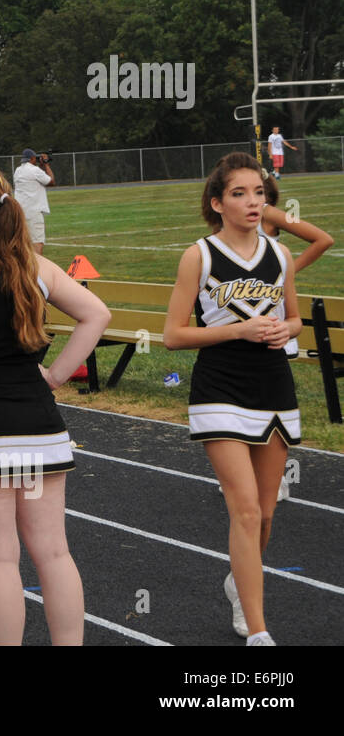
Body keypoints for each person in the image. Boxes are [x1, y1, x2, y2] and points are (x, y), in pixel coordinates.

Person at [0, 165, 111, 645]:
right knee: (54, 553)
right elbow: (96, 314)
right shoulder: (35, 265)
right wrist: (56, 375)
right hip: (41, 427)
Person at [163, 152, 300, 646]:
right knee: (243, 511)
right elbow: (173, 336)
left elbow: (296, 319)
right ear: (217, 203)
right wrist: (240, 328)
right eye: (239, 194)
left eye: (259, 193)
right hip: (220, 387)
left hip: (273, 386)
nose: (253, 202)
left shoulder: (279, 255)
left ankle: (240, 579)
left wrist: (286, 327)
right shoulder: (199, 255)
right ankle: (258, 631)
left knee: (265, 513)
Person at [261, 172, 332, 500]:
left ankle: (277, 479)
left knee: (272, 401)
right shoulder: (230, 221)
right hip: (238, 329)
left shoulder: (269, 213)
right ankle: (250, 476)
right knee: (242, 403)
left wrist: (287, 272)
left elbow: (322, 239)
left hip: (273, 325)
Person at [13, 149, 54, 255]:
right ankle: (37, 270)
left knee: (24, 244)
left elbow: (38, 177)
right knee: (37, 243)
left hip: (21, 212)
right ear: (31, 158)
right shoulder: (34, 170)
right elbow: (51, 181)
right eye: (35, 158)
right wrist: (46, 164)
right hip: (34, 212)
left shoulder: (18, 170)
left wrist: (40, 165)